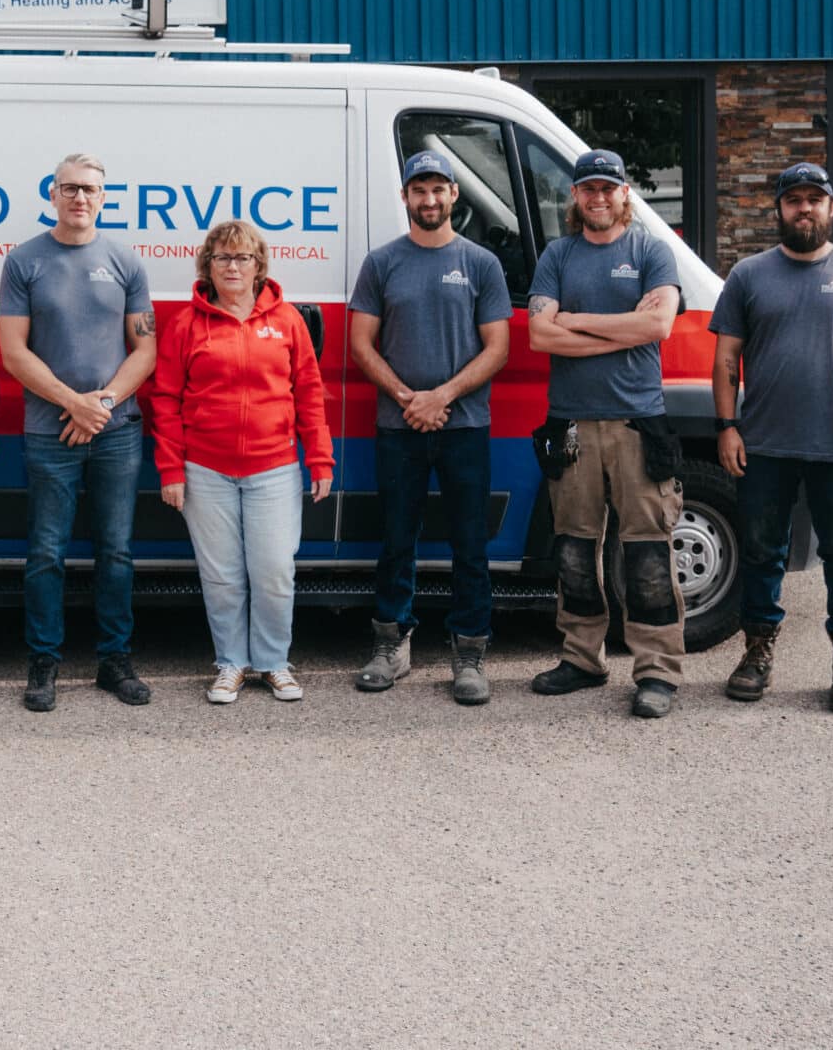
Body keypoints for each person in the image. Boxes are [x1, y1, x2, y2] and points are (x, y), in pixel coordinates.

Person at [712, 162, 833, 714]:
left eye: (814, 199)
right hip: (763, 446)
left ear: (831, 208)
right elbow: (724, 359)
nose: (804, 208)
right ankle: (757, 652)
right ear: (779, 208)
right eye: (793, 199)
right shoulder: (748, 275)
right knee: (761, 554)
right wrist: (726, 426)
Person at [525, 150, 689, 719]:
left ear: (624, 194)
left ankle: (657, 670)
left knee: (647, 553)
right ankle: (582, 658)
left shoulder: (651, 251)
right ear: (575, 196)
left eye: (608, 188)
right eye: (588, 188)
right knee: (574, 550)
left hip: (636, 422)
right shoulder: (558, 255)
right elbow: (539, 337)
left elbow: (659, 324)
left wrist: (573, 319)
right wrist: (623, 330)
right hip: (570, 424)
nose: (598, 197)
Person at [348, 150, 513, 704]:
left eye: (438, 188)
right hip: (398, 428)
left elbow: (498, 348)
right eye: (419, 190)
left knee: (470, 543)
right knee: (397, 539)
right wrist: (407, 399)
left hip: (465, 426)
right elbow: (361, 344)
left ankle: (469, 652)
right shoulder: (381, 263)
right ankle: (391, 646)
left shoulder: (481, 264)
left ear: (454, 195)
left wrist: (440, 397)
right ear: (405, 197)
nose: (429, 199)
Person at [0, 153, 160, 712]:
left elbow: (146, 350)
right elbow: (13, 352)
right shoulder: (24, 261)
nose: (80, 198)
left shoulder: (125, 261)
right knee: (46, 553)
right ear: (52, 194)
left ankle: (114, 660)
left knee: (116, 551)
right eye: (69, 188)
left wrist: (103, 404)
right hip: (50, 431)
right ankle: (44, 662)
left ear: (103, 197)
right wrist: (74, 404)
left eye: (89, 189)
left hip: (117, 430)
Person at [150, 220, 331, 703]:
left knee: (274, 570)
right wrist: (171, 469)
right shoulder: (187, 324)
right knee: (222, 576)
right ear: (208, 266)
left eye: (242, 257)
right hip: (205, 470)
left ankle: (273, 663)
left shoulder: (287, 320)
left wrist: (320, 458)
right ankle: (231, 663)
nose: (233, 266)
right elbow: (165, 399)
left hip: (273, 468)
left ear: (258, 265)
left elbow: (309, 392)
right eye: (223, 258)